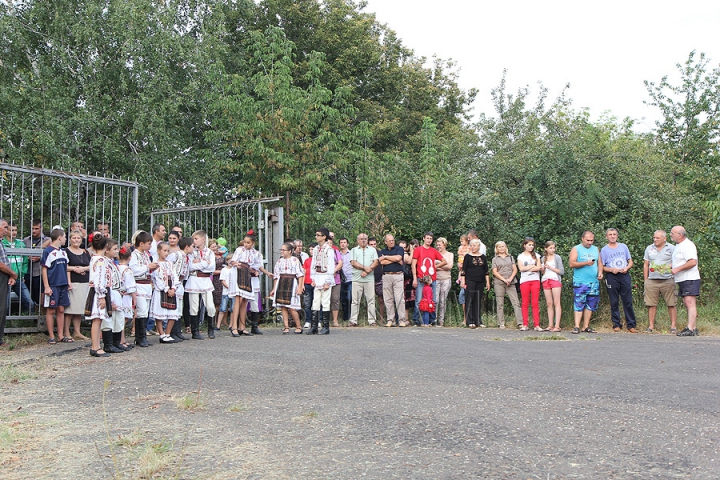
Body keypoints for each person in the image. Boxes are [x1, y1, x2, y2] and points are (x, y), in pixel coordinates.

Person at [229, 230, 272, 336]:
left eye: (248, 243)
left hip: (247, 275)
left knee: (245, 301)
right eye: (245, 242)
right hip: (238, 274)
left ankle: (242, 327)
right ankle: (234, 326)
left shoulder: (255, 253)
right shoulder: (240, 250)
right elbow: (232, 260)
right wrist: (236, 264)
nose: (246, 244)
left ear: (253, 243)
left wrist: (263, 272)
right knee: (238, 300)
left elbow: (257, 265)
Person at [600, 228, 637, 333]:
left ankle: (631, 325)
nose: (612, 236)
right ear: (606, 237)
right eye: (610, 234)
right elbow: (602, 267)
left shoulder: (623, 247)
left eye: (614, 234)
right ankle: (616, 324)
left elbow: (630, 261)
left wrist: (627, 268)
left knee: (627, 301)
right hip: (612, 276)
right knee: (614, 301)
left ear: (617, 236)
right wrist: (611, 270)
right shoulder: (604, 250)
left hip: (624, 275)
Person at [643, 230, 677, 333]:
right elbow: (646, 264)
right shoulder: (649, 248)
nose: (655, 240)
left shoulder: (672, 248)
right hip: (652, 280)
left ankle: (673, 326)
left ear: (664, 238)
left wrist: (667, 267)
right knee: (651, 304)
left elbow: (676, 262)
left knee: (671, 303)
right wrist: (646, 280)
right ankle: (651, 326)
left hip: (667, 279)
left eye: (657, 238)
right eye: (654, 238)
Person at [186, 230, 218, 339]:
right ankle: (195, 331)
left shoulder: (209, 252)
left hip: (205, 281)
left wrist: (198, 264)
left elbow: (212, 267)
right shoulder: (191, 252)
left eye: (196, 239)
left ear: (203, 239)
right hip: (194, 280)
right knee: (194, 307)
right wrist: (204, 264)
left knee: (210, 306)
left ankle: (211, 329)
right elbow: (190, 267)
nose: (194, 241)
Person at [569, 231, 602, 334]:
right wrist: (586, 263)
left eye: (592, 240)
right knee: (579, 303)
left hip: (593, 282)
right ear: (582, 238)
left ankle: (586, 326)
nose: (590, 242)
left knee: (591, 304)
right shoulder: (576, 249)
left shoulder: (596, 249)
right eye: (588, 240)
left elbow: (599, 262)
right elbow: (571, 263)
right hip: (580, 281)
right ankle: (576, 326)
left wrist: (600, 272)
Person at [129, 231, 159, 347]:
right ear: (141, 244)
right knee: (141, 311)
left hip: (147, 285)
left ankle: (142, 336)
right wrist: (147, 267)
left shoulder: (146, 255)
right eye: (148, 243)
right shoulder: (134, 255)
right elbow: (134, 270)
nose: (150, 246)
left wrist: (152, 268)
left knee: (145, 310)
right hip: (139, 284)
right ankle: (139, 337)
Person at [670, 226, 701, 337]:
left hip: (690, 278)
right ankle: (694, 327)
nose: (670, 235)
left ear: (680, 235)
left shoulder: (688, 245)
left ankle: (690, 328)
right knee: (686, 302)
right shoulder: (678, 246)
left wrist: (677, 269)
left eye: (672, 233)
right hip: (682, 278)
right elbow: (679, 261)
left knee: (690, 302)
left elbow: (692, 262)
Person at [412, 232, 448, 326]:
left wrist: (435, 267)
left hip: (432, 279)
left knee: (433, 300)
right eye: (427, 238)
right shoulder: (418, 250)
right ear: (423, 238)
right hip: (421, 278)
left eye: (431, 239)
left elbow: (444, 261)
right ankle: (416, 319)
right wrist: (414, 278)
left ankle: (432, 319)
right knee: (419, 300)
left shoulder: (434, 251)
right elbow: (413, 264)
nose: (429, 240)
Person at [41, 228, 70, 344]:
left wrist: (68, 282)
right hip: (53, 285)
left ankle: (61, 335)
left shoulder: (63, 252)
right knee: (51, 309)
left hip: (63, 285)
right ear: (59, 237)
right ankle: (51, 336)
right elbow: (44, 270)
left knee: (61, 309)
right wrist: (47, 286)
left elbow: (66, 268)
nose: (65, 239)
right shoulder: (48, 251)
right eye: (65, 237)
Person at [270, 242, 305, 334]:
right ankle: (286, 327)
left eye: (283, 250)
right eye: (281, 250)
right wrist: (274, 288)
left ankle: (298, 326)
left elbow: (300, 275)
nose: (281, 251)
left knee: (292, 307)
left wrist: (300, 287)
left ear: (290, 251)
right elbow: (276, 276)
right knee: (283, 306)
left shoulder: (295, 260)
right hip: (281, 283)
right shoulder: (279, 261)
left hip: (292, 283)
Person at [86, 234, 112, 357]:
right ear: (106, 246)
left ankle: (96, 346)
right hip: (98, 292)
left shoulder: (94, 258)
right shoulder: (100, 260)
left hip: (96, 290)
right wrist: (102, 296)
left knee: (98, 319)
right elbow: (99, 278)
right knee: (97, 319)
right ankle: (95, 346)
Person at [64, 229, 91, 340]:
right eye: (74, 238)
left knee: (79, 310)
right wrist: (75, 269)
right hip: (72, 283)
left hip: (84, 283)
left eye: (78, 238)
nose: (76, 240)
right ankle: (66, 332)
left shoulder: (85, 252)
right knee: (70, 310)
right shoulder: (66, 251)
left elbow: (91, 265)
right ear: (70, 239)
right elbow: (64, 266)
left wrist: (84, 269)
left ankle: (77, 331)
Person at [307, 228, 336, 335]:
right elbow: (313, 264)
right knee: (315, 301)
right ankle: (314, 326)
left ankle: (325, 326)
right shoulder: (315, 249)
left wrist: (328, 281)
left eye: (318, 235)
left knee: (325, 301)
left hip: (325, 276)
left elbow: (331, 265)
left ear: (324, 237)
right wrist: (313, 278)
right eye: (316, 235)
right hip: (318, 276)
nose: (317, 237)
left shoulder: (329, 250)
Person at [150, 242, 180, 343]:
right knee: (160, 313)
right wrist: (166, 289)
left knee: (172, 313)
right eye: (164, 251)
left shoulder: (170, 264)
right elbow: (157, 279)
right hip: (161, 290)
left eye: (168, 251)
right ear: (159, 251)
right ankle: (161, 334)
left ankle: (168, 333)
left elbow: (175, 276)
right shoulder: (156, 264)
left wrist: (174, 288)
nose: (166, 253)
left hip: (171, 288)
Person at [2, 224, 35, 314]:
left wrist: (23, 274)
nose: (14, 232)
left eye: (15, 230)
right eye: (11, 230)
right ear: (6, 231)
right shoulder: (2, 244)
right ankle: (6, 324)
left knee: (29, 302)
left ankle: (27, 320)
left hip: (18, 278)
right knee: (5, 305)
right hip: (5, 278)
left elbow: (24, 262)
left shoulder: (21, 244)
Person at [349, 233, 379, 326]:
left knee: (371, 300)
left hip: (369, 279)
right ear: (358, 240)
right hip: (357, 279)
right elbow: (353, 262)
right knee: (355, 301)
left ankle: (372, 320)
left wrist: (367, 271)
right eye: (361, 239)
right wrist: (365, 268)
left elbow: (376, 262)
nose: (363, 240)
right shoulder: (353, 250)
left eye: (365, 239)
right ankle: (353, 321)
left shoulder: (372, 250)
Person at [491, 241, 522, 329]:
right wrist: (504, 279)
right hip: (499, 283)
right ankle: (501, 323)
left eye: (503, 246)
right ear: (497, 248)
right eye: (499, 247)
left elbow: (515, 269)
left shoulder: (511, 257)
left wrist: (510, 279)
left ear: (506, 247)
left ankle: (520, 323)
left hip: (511, 282)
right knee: (500, 303)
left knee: (516, 302)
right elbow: (494, 271)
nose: (501, 248)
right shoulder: (495, 259)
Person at [459, 238, 490, 328]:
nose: (472, 247)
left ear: (479, 246)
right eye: (471, 245)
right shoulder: (467, 256)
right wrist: (463, 281)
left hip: (480, 281)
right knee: (469, 300)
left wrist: (487, 282)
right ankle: (470, 321)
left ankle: (478, 321)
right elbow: (463, 270)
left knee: (478, 300)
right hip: (470, 280)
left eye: (474, 245)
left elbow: (486, 271)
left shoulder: (483, 257)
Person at [379, 234, 407, 327]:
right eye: (389, 240)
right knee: (388, 299)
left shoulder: (399, 249)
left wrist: (386, 257)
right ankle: (391, 320)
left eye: (393, 240)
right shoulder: (382, 251)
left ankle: (402, 320)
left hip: (398, 275)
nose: (391, 242)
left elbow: (399, 258)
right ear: (385, 242)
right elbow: (382, 262)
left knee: (399, 298)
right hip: (387, 276)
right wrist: (394, 259)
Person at [0, 218, 19, 348]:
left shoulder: (1, 242)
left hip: (3, 276)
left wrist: (9, 275)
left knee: (2, 308)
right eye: (5, 227)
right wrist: (12, 273)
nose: (6, 231)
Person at [517, 237, 543, 331]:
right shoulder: (521, 256)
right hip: (525, 280)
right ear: (525, 245)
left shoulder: (537, 255)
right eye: (529, 245)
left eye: (532, 245)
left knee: (535, 302)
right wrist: (532, 266)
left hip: (535, 280)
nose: (531, 247)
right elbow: (521, 268)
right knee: (525, 302)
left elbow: (539, 267)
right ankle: (525, 324)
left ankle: (537, 325)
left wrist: (529, 267)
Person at [23, 218, 50, 306]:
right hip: (28, 272)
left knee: (39, 297)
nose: (34, 231)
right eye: (32, 228)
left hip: (40, 272)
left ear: (41, 228)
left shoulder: (48, 240)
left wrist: (39, 257)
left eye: (36, 228)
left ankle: (38, 316)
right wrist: (28, 256)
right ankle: (29, 315)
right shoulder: (26, 240)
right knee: (28, 297)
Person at [541, 241, 564, 332]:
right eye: (550, 248)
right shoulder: (543, 258)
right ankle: (550, 324)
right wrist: (542, 269)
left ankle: (557, 325)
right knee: (549, 303)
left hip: (555, 280)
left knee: (556, 302)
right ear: (546, 248)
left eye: (554, 248)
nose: (552, 250)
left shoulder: (557, 257)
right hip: (546, 280)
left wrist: (550, 267)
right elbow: (543, 272)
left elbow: (561, 271)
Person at [434, 237, 454, 327]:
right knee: (435, 300)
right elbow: (431, 265)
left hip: (446, 279)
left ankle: (441, 320)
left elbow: (449, 266)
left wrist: (437, 266)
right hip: (436, 279)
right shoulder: (435, 253)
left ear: (444, 244)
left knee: (443, 300)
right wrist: (443, 264)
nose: (438, 246)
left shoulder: (450, 254)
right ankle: (434, 319)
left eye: (440, 245)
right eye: (437, 245)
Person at [368, 237, 386, 323]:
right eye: (371, 244)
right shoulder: (365, 253)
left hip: (379, 279)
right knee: (370, 300)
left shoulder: (380, 253)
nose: (373, 246)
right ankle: (371, 319)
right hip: (369, 278)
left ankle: (381, 318)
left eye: (374, 244)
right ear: (368, 245)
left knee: (381, 299)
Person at [217, 260, 235, 331]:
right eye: (230, 261)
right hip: (225, 292)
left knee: (232, 309)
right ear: (227, 261)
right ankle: (218, 325)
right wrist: (228, 287)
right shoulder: (224, 270)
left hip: (234, 292)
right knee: (222, 309)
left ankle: (231, 325)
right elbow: (222, 280)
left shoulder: (235, 269)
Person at [456, 234, 470, 324]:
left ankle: (468, 318)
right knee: (462, 297)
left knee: (466, 296)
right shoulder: (460, 248)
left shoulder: (469, 249)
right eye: (461, 241)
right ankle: (465, 318)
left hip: (468, 275)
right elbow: (459, 258)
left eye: (463, 241)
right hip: (462, 274)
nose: (462, 243)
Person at [338, 237, 353, 322]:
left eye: (344, 242)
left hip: (350, 278)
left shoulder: (351, 253)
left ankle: (350, 316)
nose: (343, 244)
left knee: (349, 298)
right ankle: (345, 317)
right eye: (341, 242)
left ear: (347, 244)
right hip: (341, 280)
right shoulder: (338, 254)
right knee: (342, 299)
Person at [301, 244, 316, 329]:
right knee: (307, 303)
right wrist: (302, 284)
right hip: (307, 283)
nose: (311, 251)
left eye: (313, 249)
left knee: (317, 303)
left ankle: (318, 320)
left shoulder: (319, 260)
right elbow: (304, 272)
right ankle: (308, 320)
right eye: (310, 249)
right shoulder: (307, 260)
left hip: (317, 284)